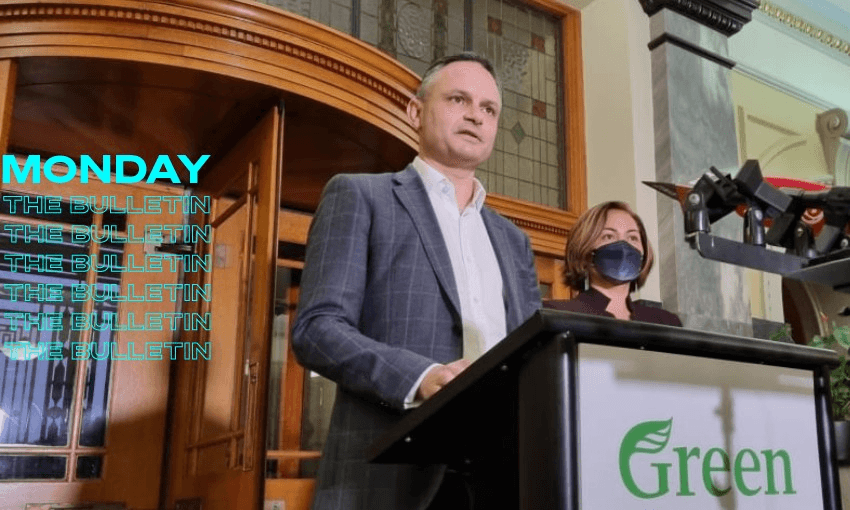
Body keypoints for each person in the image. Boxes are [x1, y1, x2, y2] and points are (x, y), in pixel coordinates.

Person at [291, 53, 542, 510]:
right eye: (458, 99)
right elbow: (317, 329)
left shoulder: (513, 240)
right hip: (390, 471)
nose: (475, 115)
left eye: (488, 109)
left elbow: (530, 354)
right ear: (415, 111)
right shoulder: (360, 196)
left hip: (502, 472)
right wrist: (422, 377)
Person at [544, 201, 682, 326]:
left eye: (632, 237)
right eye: (608, 236)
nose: (624, 245)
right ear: (584, 250)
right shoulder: (555, 314)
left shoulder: (666, 322)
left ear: (644, 252)